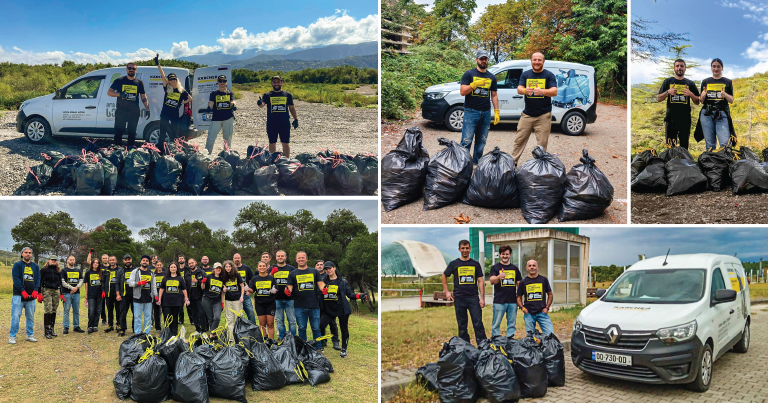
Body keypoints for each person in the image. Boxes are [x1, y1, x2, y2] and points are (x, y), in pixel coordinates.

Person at [511, 52, 558, 165]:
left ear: (543, 61)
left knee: (541, 145)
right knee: (519, 141)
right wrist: (524, 91)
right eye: (535, 60)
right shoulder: (526, 74)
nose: (537, 62)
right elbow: (519, 89)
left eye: (539, 60)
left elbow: (554, 91)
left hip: (543, 115)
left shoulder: (549, 75)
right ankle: (512, 164)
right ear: (531, 61)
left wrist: (542, 91)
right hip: (527, 115)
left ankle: (539, 167)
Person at [442, 240, 486, 344]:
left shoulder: (475, 264)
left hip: (473, 298)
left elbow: (480, 280)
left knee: (478, 323)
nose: (465, 250)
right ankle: (464, 347)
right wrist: (447, 292)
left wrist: (482, 298)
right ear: (459, 249)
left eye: (467, 248)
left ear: (470, 249)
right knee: (462, 325)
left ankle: (483, 346)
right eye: (463, 248)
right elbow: (444, 276)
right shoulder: (454, 264)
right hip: (459, 298)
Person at [459, 50, 500, 164]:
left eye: (485, 59)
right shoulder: (469, 74)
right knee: (466, 140)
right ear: (476, 60)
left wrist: (496, 111)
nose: (483, 61)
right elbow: (463, 91)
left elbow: (494, 95)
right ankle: (464, 165)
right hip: (471, 111)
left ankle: (476, 164)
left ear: (487, 60)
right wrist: (474, 84)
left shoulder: (491, 77)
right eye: (481, 59)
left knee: (481, 142)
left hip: (486, 112)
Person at [319, 262, 366, 358]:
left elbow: (350, 294)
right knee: (320, 325)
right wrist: (321, 292)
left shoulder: (342, 282)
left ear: (334, 268)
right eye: (326, 269)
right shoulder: (323, 281)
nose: (328, 270)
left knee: (344, 329)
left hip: (341, 309)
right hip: (328, 310)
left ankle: (344, 349)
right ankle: (320, 345)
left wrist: (359, 295)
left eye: (330, 268)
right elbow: (318, 294)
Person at [657, 59, 700, 149]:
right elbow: (659, 98)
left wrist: (690, 94)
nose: (679, 68)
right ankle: (671, 163)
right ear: (674, 68)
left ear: (685, 68)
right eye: (677, 66)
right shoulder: (668, 81)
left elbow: (697, 102)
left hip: (685, 120)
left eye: (681, 66)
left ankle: (683, 162)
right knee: (670, 147)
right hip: (670, 119)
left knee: (684, 147)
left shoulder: (690, 83)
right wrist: (668, 92)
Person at [286, 251, 325, 350]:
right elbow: (289, 287)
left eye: (303, 257)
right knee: (302, 328)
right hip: (299, 305)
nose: (301, 259)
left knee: (316, 328)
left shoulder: (314, 271)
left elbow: (321, 284)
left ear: (307, 259)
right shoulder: (292, 274)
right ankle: (304, 348)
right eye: (299, 258)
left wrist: (324, 289)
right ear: (296, 260)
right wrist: (287, 291)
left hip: (314, 305)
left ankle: (318, 347)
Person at [695, 58, 735, 150]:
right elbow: (701, 101)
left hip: (722, 113)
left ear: (722, 68)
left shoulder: (727, 82)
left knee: (725, 144)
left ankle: (726, 163)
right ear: (711, 68)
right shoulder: (705, 81)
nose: (716, 69)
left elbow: (731, 100)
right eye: (714, 66)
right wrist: (703, 96)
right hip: (706, 114)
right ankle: (711, 163)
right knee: (710, 144)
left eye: (718, 66)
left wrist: (725, 95)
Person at [155, 53, 192, 152]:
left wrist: (182, 103)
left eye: (173, 79)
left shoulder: (181, 90)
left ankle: (175, 150)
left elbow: (190, 98)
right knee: (162, 132)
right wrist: (158, 64)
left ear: (176, 79)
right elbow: (162, 75)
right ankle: (160, 150)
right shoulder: (167, 88)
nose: (172, 81)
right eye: (170, 79)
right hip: (165, 113)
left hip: (174, 114)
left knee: (175, 132)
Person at [107, 62, 149, 148]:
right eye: (129, 68)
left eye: (133, 68)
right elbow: (109, 92)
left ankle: (130, 150)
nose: (131, 70)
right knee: (119, 131)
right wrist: (120, 94)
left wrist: (147, 109)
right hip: (121, 111)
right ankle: (117, 150)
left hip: (134, 112)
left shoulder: (139, 82)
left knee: (132, 132)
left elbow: (143, 97)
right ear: (126, 69)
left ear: (136, 70)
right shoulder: (119, 80)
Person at [257, 76, 298, 157]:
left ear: (281, 83)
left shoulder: (287, 95)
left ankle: (286, 161)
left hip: (284, 123)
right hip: (272, 123)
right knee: (272, 143)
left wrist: (296, 119)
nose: (276, 84)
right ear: (272, 83)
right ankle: (272, 161)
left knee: (285, 143)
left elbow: (292, 108)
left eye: (278, 82)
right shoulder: (267, 95)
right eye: (274, 82)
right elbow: (262, 105)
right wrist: (259, 103)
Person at [489, 245, 523, 338]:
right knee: (496, 324)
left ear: (510, 255)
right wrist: (499, 277)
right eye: (503, 254)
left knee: (511, 324)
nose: (505, 256)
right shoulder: (495, 267)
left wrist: (520, 299)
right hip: (499, 301)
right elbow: (492, 281)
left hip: (512, 301)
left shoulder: (515, 268)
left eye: (507, 254)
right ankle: (496, 342)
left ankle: (510, 341)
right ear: (500, 255)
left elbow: (519, 284)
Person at [9, 247, 40, 344]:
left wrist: (36, 290)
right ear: (22, 254)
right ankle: (12, 336)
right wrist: (22, 291)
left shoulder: (35, 266)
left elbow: (38, 279)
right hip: (19, 295)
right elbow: (16, 279)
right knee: (15, 316)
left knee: (30, 316)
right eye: (26, 252)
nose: (28, 254)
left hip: (31, 296)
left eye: (30, 252)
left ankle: (30, 335)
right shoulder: (17, 265)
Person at [516, 259, 554, 335]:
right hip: (529, 314)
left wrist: (547, 307)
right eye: (530, 266)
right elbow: (518, 297)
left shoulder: (543, 279)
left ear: (537, 267)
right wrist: (523, 308)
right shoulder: (523, 282)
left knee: (550, 335)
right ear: (527, 268)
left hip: (542, 313)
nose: (532, 267)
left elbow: (550, 294)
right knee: (530, 338)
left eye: (534, 265)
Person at [205, 75, 237, 154]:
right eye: (220, 81)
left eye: (224, 81)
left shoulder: (230, 93)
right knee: (211, 138)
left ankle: (227, 155)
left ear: (226, 82)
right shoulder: (213, 93)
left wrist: (233, 104)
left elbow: (233, 101)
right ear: (218, 83)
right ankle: (206, 156)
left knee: (227, 138)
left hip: (228, 118)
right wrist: (210, 106)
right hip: (216, 118)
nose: (222, 83)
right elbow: (211, 102)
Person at [127, 255, 158, 335]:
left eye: (147, 261)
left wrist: (156, 295)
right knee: (137, 317)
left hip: (148, 298)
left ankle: (147, 333)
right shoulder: (135, 271)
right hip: (138, 298)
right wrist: (138, 283)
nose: (145, 262)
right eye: (143, 260)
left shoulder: (151, 273)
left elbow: (154, 285)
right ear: (140, 262)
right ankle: (137, 333)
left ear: (148, 262)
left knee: (148, 317)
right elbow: (130, 283)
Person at [270, 250, 297, 340]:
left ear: (285, 257)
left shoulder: (291, 268)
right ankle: (281, 338)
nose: (280, 257)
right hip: (277, 299)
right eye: (278, 256)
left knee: (292, 320)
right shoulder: (271, 268)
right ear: (276, 257)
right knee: (279, 321)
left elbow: (296, 282)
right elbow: (266, 281)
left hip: (290, 299)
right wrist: (271, 274)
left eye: (282, 256)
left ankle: (292, 339)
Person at [158, 262, 190, 336]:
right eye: (171, 267)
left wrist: (186, 298)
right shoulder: (165, 278)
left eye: (174, 267)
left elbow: (184, 289)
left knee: (175, 317)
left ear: (176, 269)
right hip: (166, 301)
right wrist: (159, 298)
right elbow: (161, 289)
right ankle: (167, 332)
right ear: (169, 268)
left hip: (177, 301)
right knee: (167, 316)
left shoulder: (180, 278)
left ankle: (174, 333)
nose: (173, 268)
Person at [249, 261, 278, 340]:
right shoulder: (255, 278)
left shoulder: (271, 278)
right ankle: (263, 340)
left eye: (263, 266)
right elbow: (252, 290)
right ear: (258, 268)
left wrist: (274, 290)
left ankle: (271, 341)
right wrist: (248, 289)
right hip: (259, 303)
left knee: (270, 323)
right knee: (262, 323)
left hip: (270, 303)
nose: (262, 267)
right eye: (260, 266)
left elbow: (276, 289)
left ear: (266, 267)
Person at [316, 259, 340, 350]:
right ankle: (323, 341)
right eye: (318, 264)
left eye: (321, 264)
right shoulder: (315, 276)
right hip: (319, 304)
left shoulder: (329, 277)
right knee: (321, 324)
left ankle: (335, 341)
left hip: (330, 305)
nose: (320, 266)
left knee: (332, 324)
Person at [61, 254, 85, 335]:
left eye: (73, 260)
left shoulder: (78, 270)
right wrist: (71, 288)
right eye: (70, 260)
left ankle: (76, 326)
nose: (72, 261)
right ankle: (66, 327)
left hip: (76, 294)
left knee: (76, 311)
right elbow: (63, 282)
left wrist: (76, 288)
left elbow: (81, 280)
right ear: (67, 260)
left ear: (75, 261)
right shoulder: (64, 270)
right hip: (66, 293)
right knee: (66, 310)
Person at [221, 260, 245, 340]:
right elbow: (222, 286)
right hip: (228, 300)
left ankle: (240, 338)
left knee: (239, 319)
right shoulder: (223, 276)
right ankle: (231, 339)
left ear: (232, 267)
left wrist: (242, 296)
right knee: (229, 320)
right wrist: (224, 288)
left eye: (229, 266)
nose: (228, 268)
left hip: (237, 300)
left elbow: (242, 286)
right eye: (226, 267)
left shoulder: (237, 274)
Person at [40, 255, 62, 339]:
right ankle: (47, 330)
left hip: (56, 290)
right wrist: (39, 293)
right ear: (48, 260)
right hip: (47, 290)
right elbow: (40, 281)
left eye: (55, 260)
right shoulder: (44, 270)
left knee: (54, 309)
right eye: (52, 260)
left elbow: (60, 282)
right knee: (48, 309)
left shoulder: (58, 270)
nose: (53, 261)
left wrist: (61, 293)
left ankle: (52, 329)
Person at [201, 262, 225, 334]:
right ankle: (213, 335)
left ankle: (212, 334)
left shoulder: (222, 279)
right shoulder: (209, 276)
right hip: (207, 299)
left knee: (217, 318)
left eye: (219, 268)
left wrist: (222, 303)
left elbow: (222, 292)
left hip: (217, 301)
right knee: (210, 318)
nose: (218, 269)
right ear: (214, 269)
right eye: (217, 268)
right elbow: (203, 288)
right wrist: (203, 282)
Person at [185, 259, 207, 336]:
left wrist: (197, 282)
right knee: (194, 314)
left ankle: (203, 330)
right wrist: (186, 298)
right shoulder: (187, 274)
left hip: (200, 296)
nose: (191, 264)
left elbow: (206, 283)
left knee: (201, 313)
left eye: (192, 263)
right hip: (191, 297)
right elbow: (186, 286)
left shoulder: (201, 272)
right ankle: (197, 329)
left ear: (195, 263)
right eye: (189, 263)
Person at [83, 257, 105, 334]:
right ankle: (90, 326)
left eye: (97, 263)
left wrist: (103, 291)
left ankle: (95, 325)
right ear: (92, 264)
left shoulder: (101, 272)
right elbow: (86, 284)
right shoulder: (88, 272)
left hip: (99, 295)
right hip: (91, 294)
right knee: (91, 310)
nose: (96, 264)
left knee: (98, 311)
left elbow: (103, 283)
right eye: (94, 262)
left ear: (99, 264)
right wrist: (86, 294)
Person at [115, 254, 135, 337]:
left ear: (131, 260)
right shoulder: (120, 271)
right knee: (122, 313)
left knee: (135, 313)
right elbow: (117, 284)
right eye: (126, 260)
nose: (127, 261)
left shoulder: (136, 270)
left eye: (129, 259)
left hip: (134, 295)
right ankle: (122, 329)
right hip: (124, 295)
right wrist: (118, 294)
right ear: (123, 261)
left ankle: (135, 329)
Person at [234, 253, 256, 322]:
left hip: (245, 295)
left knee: (251, 313)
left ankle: (253, 329)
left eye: (238, 258)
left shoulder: (246, 268)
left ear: (240, 259)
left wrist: (249, 290)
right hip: (235, 295)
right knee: (238, 315)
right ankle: (240, 330)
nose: (237, 259)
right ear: (233, 259)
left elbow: (253, 279)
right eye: (235, 258)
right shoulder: (230, 268)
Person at [103, 255, 119, 333]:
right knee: (110, 310)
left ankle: (118, 325)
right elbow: (103, 281)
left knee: (118, 310)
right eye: (110, 260)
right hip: (108, 293)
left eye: (113, 260)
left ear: (116, 260)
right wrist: (103, 291)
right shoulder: (106, 270)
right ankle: (110, 325)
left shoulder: (120, 270)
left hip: (117, 293)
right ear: (109, 261)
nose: (112, 261)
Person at [152, 260, 166, 332]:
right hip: (156, 295)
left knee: (165, 311)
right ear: (155, 266)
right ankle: (158, 327)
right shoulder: (153, 274)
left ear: (162, 265)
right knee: (156, 312)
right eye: (158, 265)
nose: (159, 266)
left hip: (164, 295)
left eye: (160, 265)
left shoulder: (165, 274)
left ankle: (167, 327)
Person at [177, 255, 187, 325]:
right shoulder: (177, 269)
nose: (181, 260)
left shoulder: (188, 268)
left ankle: (192, 320)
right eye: (180, 259)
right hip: (179, 289)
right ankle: (181, 320)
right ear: (178, 260)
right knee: (180, 306)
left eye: (182, 258)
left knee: (189, 306)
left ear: (184, 259)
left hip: (187, 288)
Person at [99, 253, 109, 326]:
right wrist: (90, 253)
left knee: (109, 305)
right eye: (103, 258)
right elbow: (89, 262)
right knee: (102, 305)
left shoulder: (111, 267)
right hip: (101, 288)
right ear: (101, 259)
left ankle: (111, 319)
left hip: (109, 288)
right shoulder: (99, 267)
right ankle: (104, 320)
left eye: (106, 258)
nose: (105, 259)